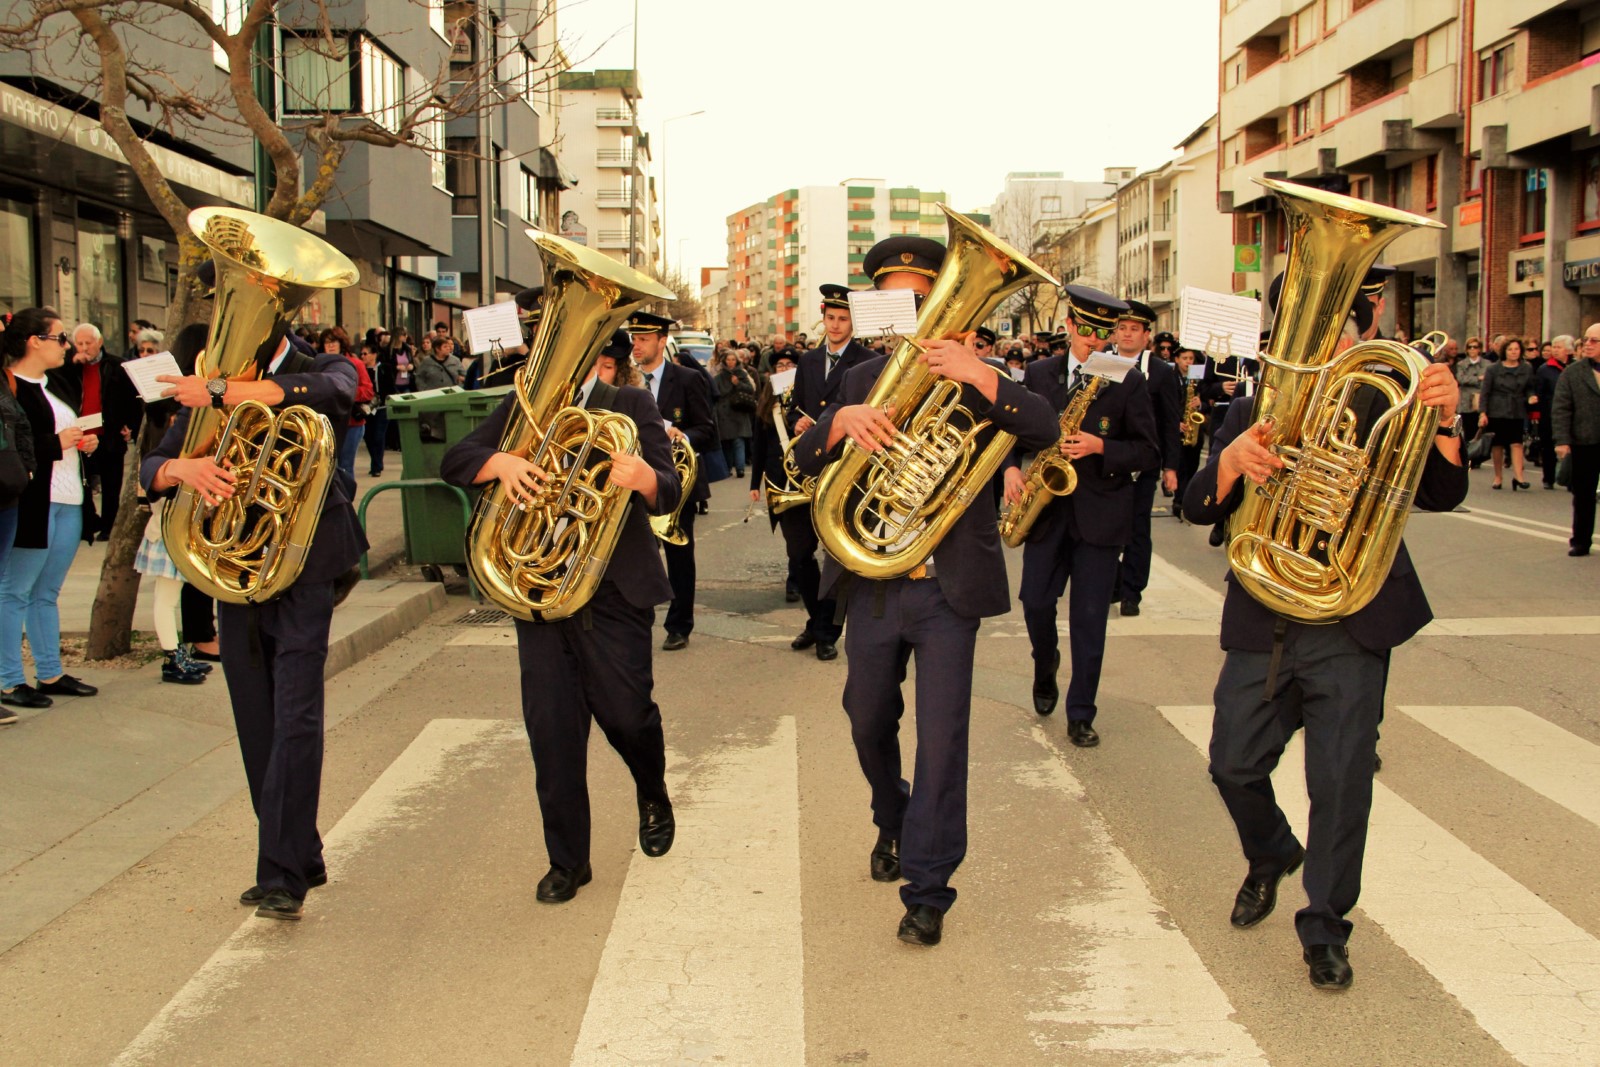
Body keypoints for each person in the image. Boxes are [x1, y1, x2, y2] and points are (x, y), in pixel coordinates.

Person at [1182, 302, 1466, 990]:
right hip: (1266, 613)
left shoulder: (1387, 399)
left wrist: (1449, 420)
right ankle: (1273, 851)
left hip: (1351, 615)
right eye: (1313, 330)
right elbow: (1198, 504)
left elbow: (1444, 490)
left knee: (1340, 782)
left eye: (1340, 330)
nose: (1328, 343)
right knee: (1231, 763)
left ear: (1358, 337)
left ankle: (1326, 928)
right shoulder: (1253, 405)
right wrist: (1229, 464)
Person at [792, 235, 1058, 947]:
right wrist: (834, 425)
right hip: (875, 581)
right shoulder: (858, 378)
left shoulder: (979, 372)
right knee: (865, 717)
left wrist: (980, 373)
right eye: (899, 299)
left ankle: (929, 887)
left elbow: (1044, 425)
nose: (912, 311)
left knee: (942, 741)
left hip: (948, 592)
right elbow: (799, 457)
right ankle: (893, 817)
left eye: (923, 296)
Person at [142, 317, 369, 920]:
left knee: (295, 711)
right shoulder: (210, 386)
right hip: (235, 570)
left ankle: (281, 874)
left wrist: (219, 394)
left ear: (269, 331)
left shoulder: (321, 367)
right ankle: (300, 851)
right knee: (256, 719)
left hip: (306, 568)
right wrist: (180, 470)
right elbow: (150, 469)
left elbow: (336, 394)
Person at [440, 330, 679, 903]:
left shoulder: (630, 405)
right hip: (543, 589)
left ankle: (651, 786)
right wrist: (498, 462)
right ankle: (568, 861)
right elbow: (455, 460)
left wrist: (644, 478)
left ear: (602, 363)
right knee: (552, 732)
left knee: (626, 715)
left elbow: (668, 490)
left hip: (613, 594)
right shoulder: (524, 408)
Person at [1008, 285, 1160, 746]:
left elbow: (1148, 451)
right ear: (1070, 327)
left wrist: (1101, 447)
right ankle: (1045, 662)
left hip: (1101, 514)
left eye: (1104, 334)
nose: (1096, 343)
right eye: (1087, 332)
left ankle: (1081, 712)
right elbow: (1011, 432)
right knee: (1035, 601)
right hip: (1046, 512)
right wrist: (1012, 470)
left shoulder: (1128, 379)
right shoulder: (1038, 373)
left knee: (1090, 619)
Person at [0, 309, 99, 711]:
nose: (67, 346)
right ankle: (9, 680)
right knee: (15, 592)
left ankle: (50, 672)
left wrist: (83, 444)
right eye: (60, 338)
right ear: (33, 341)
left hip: (68, 498)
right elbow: (16, 448)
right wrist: (56, 444)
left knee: (47, 593)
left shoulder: (55, 381)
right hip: (34, 501)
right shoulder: (9, 388)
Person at [630, 311, 715, 651]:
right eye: (634, 339)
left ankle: (679, 625)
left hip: (678, 483)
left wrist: (684, 436)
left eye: (644, 339)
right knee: (639, 556)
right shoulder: (626, 382)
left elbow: (708, 430)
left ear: (662, 341)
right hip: (636, 482)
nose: (637, 346)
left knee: (680, 559)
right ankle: (638, 620)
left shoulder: (686, 379)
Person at [1107, 298, 1181, 617]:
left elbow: (1169, 422)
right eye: (1121, 328)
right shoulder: (1101, 363)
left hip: (1142, 465)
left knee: (1137, 528)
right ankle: (1112, 581)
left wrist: (1172, 468)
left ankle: (1132, 592)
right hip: (1105, 461)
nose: (1126, 334)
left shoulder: (1162, 372)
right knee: (1106, 526)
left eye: (1134, 329)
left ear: (1146, 335)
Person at [1553, 324, 1600, 556]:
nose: (1588, 345)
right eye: (1586, 340)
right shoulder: (1573, 372)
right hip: (1584, 442)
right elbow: (1561, 408)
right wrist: (1562, 440)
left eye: (1594, 341)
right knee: (1584, 495)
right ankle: (1581, 540)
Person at [320, 328, 374, 486]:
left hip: (351, 423)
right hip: (327, 423)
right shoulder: (318, 363)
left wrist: (344, 391)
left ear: (341, 343)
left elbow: (368, 391)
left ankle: (346, 503)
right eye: (326, 342)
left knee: (345, 466)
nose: (330, 346)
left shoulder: (355, 363)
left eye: (333, 342)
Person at [1477, 336, 1533, 490]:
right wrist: (1483, 413)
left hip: (1517, 410)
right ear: (1504, 351)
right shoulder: (1493, 369)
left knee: (1517, 443)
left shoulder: (1526, 368)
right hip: (1497, 410)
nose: (1513, 352)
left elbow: (1530, 387)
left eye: (1516, 349)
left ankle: (1519, 477)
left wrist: (1531, 397)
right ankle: (1498, 476)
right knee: (1498, 445)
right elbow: (1485, 392)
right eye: (1510, 349)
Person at [1534, 335, 1573, 489]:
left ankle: (1569, 478)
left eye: (1559, 347)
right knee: (1548, 447)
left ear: (1568, 350)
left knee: (1572, 448)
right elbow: (1539, 392)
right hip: (1549, 413)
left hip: (1571, 414)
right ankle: (1548, 478)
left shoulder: (1574, 367)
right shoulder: (1544, 369)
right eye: (1554, 347)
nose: (1555, 350)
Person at [712, 350, 756, 478]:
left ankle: (740, 468)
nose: (731, 362)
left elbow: (751, 389)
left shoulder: (742, 374)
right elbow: (715, 393)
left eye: (733, 360)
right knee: (727, 442)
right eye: (728, 359)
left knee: (738, 441)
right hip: (724, 412)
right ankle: (728, 467)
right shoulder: (719, 377)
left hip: (739, 410)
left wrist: (738, 384)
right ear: (724, 361)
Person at [361, 339, 393, 477]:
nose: (363, 356)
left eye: (365, 354)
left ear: (374, 355)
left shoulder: (384, 368)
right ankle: (375, 461)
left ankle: (377, 466)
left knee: (378, 436)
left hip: (381, 407)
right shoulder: (361, 370)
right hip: (366, 408)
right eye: (361, 354)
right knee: (368, 436)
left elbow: (390, 386)